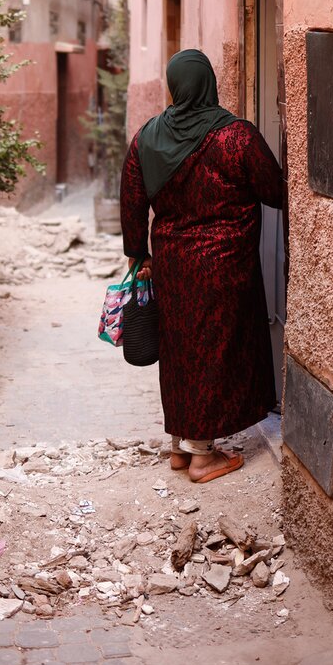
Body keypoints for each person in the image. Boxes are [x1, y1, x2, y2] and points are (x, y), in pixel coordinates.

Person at [119, 49, 284, 483]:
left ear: (175, 86)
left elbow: (133, 202)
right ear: (208, 83)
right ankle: (204, 456)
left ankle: (180, 445)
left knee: (179, 351)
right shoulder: (235, 137)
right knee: (214, 352)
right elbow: (274, 190)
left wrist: (140, 255)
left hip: (173, 265)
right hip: (225, 266)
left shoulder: (147, 137)